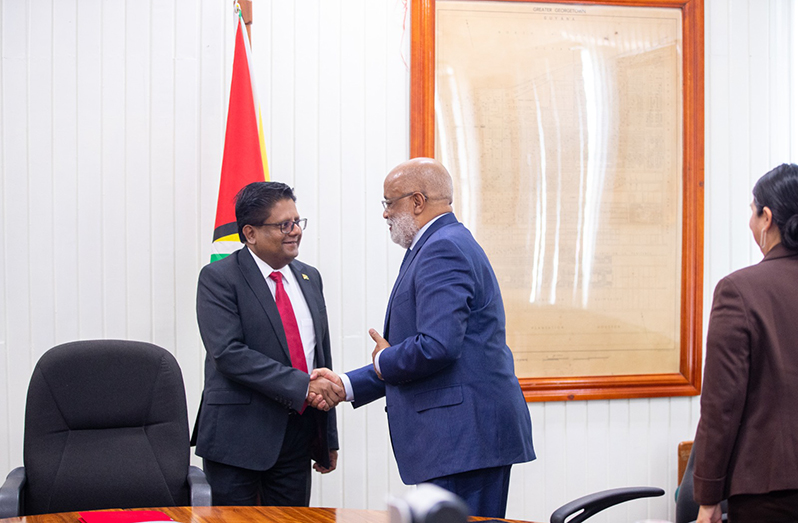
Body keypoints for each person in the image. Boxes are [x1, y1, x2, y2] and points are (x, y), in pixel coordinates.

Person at [312, 157, 535, 518]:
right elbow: (430, 350)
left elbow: (437, 346)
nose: (385, 214)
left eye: (389, 203)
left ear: (417, 201)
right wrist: (348, 384)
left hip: (462, 441)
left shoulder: (442, 249)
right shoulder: (438, 244)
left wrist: (384, 360)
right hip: (460, 441)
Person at [191, 181, 344, 506]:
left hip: (298, 438)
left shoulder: (309, 277)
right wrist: (305, 385)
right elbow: (228, 354)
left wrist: (326, 436)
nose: (295, 232)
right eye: (283, 225)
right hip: (237, 441)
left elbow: (320, 355)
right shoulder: (219, 278)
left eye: (297, 222)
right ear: (250, 233)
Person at [693, 163, 798, 523]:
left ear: (766, 217)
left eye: (753, 212)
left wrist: (707, 500)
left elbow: (721, 406)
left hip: (768, 491)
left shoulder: (739, 291)